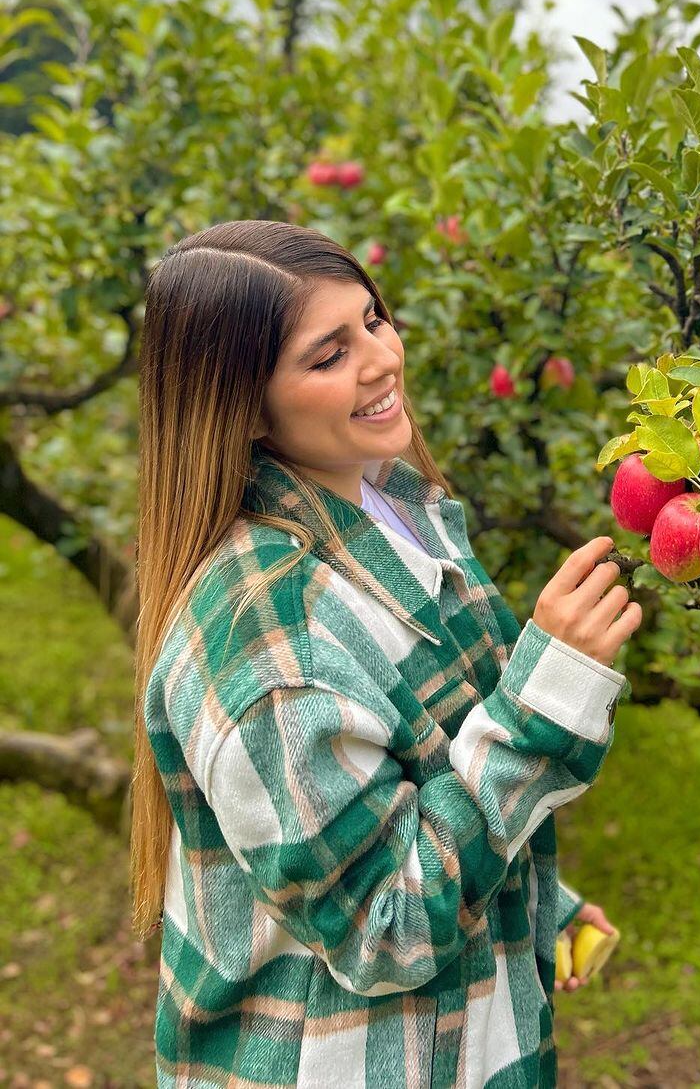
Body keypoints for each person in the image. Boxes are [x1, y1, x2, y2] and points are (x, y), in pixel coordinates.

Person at [129, 219, 642, 1087]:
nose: (379, 359)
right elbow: (384, 923)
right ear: (244, 407)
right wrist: (541, 707)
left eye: (373, 319)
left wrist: (534, 906)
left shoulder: (392, 505)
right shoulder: (269, 645)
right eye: (327, 355)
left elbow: (392, 794)